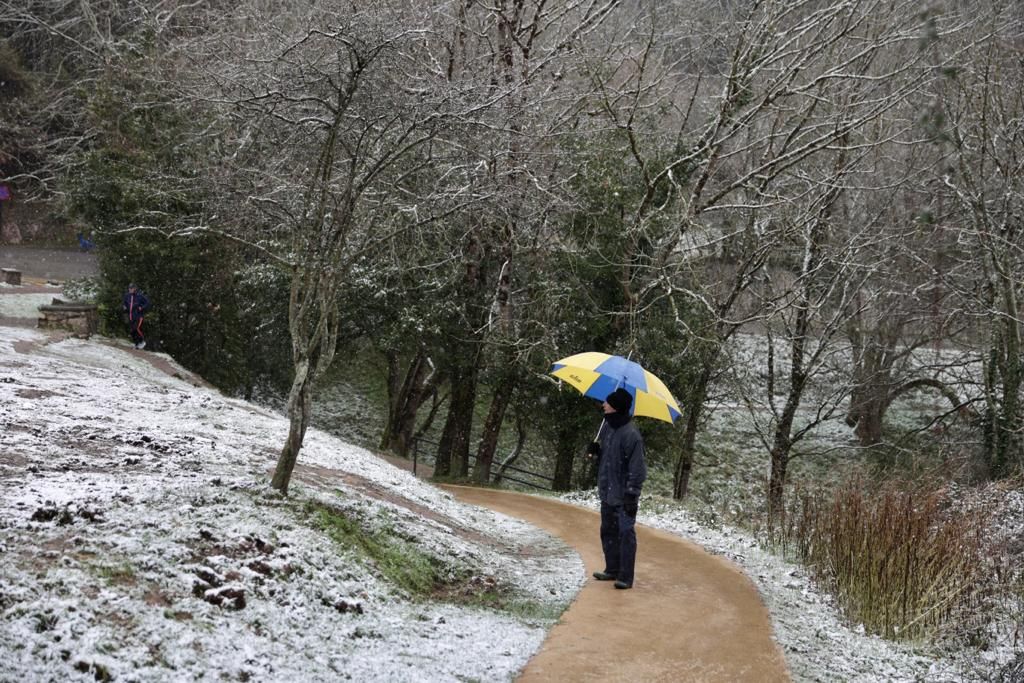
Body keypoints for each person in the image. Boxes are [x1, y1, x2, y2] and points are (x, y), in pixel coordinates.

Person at [586, 387, 647, 589]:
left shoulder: (631, 435)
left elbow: (637, 469)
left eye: (607, 402)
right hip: (607, 492)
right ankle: (612, 569)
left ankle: (625, 577)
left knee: (625, 534)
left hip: (624, 496)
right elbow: (606, 460)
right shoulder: (607, 427)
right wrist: (596, 452)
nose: (603, 405)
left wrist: (632, 494)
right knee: (607, 531)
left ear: (616, 407)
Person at [122, 283, 150, 349]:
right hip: (131, 316)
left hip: (139, 316)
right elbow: (124, 303)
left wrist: (142, 307)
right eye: (129, 288)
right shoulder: (127, 296)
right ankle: (136, 344)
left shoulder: (139, 296)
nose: (130, 290)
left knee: (136, 328)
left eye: (131, 288)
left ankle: (142, 341)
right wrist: (124, 307)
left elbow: (147, 302)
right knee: (132, 331)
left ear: (135, 289)